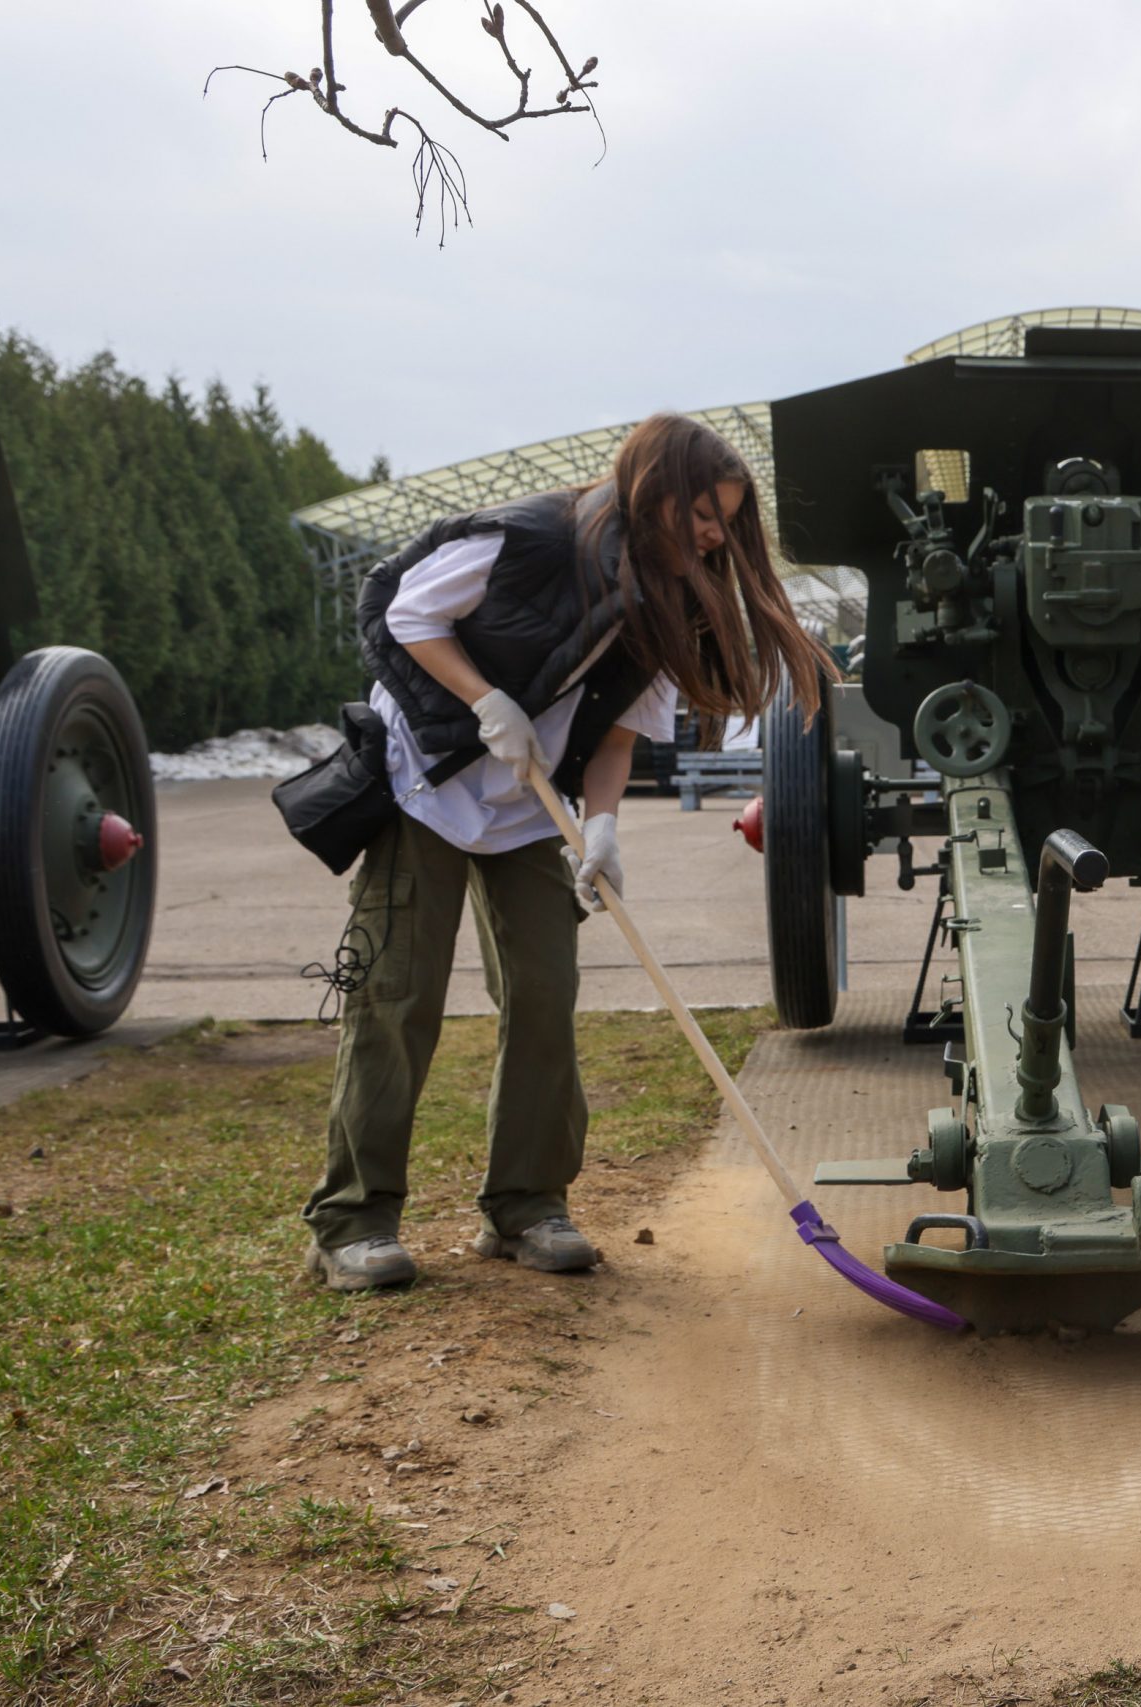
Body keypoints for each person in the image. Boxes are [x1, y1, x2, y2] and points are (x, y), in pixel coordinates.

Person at [301, 414, 831, 1291]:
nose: (714, 534)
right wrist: (484, 702)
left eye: (727, 522)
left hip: (525, 806)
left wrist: (605, 825)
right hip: (424, 780)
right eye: (705, 511)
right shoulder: (532, 538)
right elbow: (406, 612)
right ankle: (352, 1221)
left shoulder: (670, 603)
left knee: (545, 991)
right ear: (657, 484)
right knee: (398, 995)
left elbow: (618, 736)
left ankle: (527, 1203)